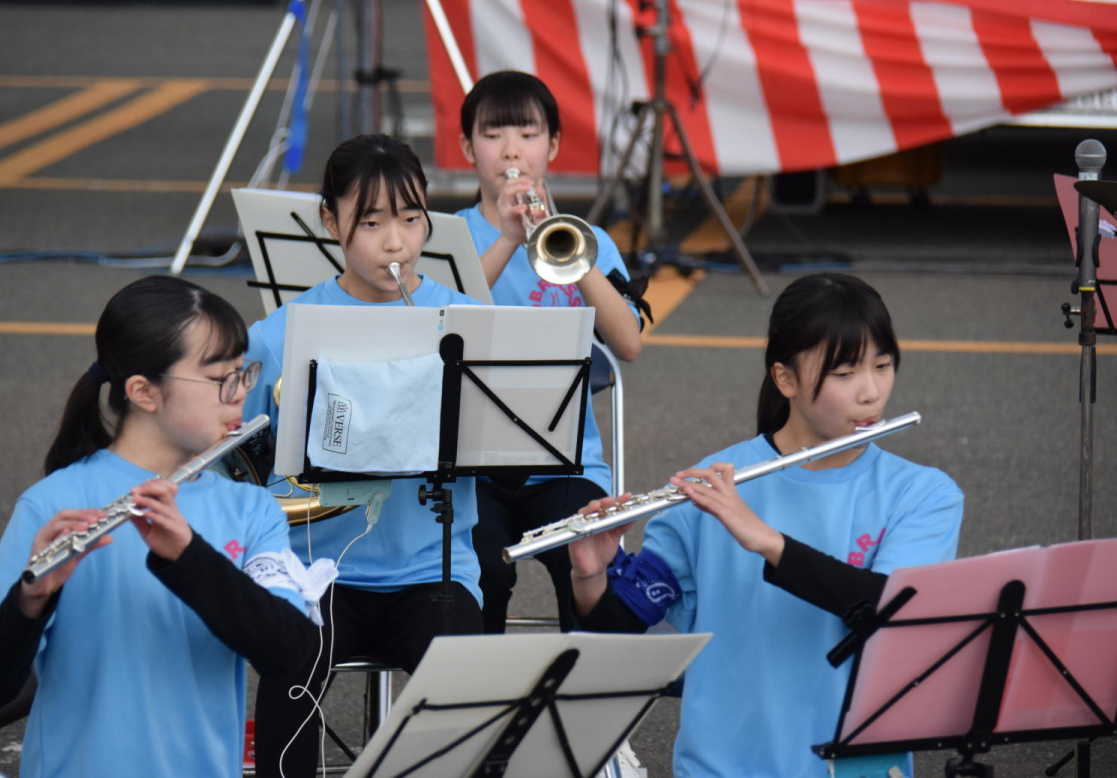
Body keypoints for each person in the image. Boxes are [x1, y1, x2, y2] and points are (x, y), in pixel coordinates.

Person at [569, 273, 964, 778]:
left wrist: (768, 541)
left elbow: (888, 609)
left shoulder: (923, 495)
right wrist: (591, 575)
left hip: (854, 770)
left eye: (883, 366)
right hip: (720, 768)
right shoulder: (709, 490)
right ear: (786, 379)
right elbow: (621, 638)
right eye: (844, 374)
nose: (871, 392)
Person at [0, 275, 319, 778]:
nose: (241, 394)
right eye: (221, 379)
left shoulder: (251, 509)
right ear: (145, 392)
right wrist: (31, 599)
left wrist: (191, 558)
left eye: (243, 373)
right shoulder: (53, 505)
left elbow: (291, 655)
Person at [247, 133, 485, 776]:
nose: (396, 244)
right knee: (290, 675)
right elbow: (234, 458)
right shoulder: (281, 333)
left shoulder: (468, 322)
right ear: (330, 221)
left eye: (411, 220)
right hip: (317, 574)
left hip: (433, 573)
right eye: (372, 222)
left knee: (473, 706)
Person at [456, 70, 646, 633]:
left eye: (527, 134)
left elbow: (628, 344)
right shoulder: (448, 235)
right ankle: (480, 702)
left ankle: (582, 700)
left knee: (590, 563)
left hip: (566, 467)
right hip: (470, 473)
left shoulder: (590, 240)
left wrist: (571, 254)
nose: (511, 149)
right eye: (493, 135)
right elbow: (434, 325)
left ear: (553, 146)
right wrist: (509, 237)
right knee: (476, 572)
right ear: (468, 147)